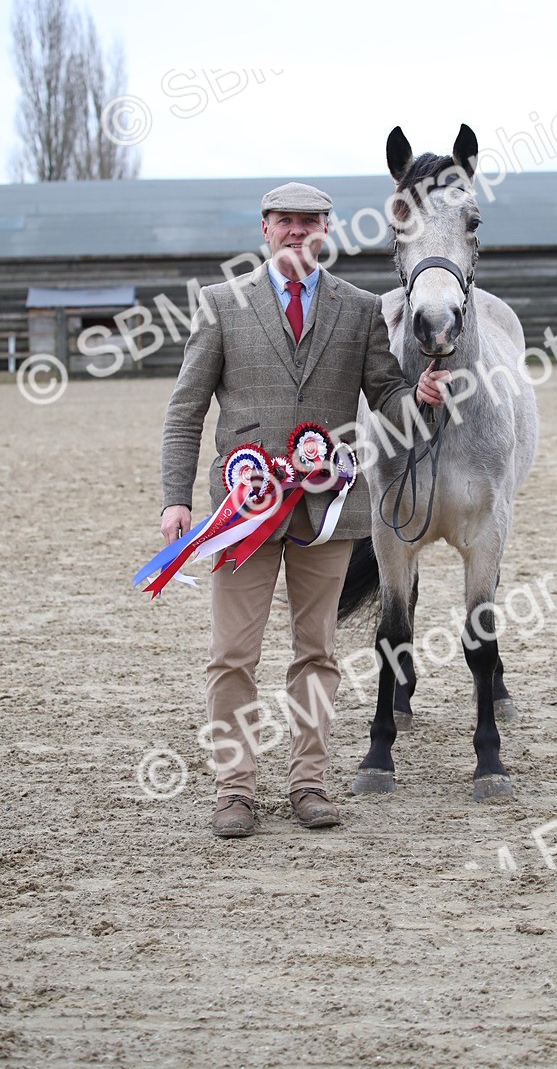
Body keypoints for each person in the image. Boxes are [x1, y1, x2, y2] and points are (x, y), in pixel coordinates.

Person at [160, 181, 449, 837]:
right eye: (285, 221)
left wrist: (421, 397)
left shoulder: (360, 309)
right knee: (233, 654)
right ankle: (234, 789)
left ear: (328, 230)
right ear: (264, 229)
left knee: (316, 652)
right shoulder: (219, 305)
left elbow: (386, 396)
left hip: (330, 513)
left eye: (310, 221)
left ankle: (308, 782)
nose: (298, 231)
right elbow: (185, 411)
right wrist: (176, 501)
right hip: (244, 511)